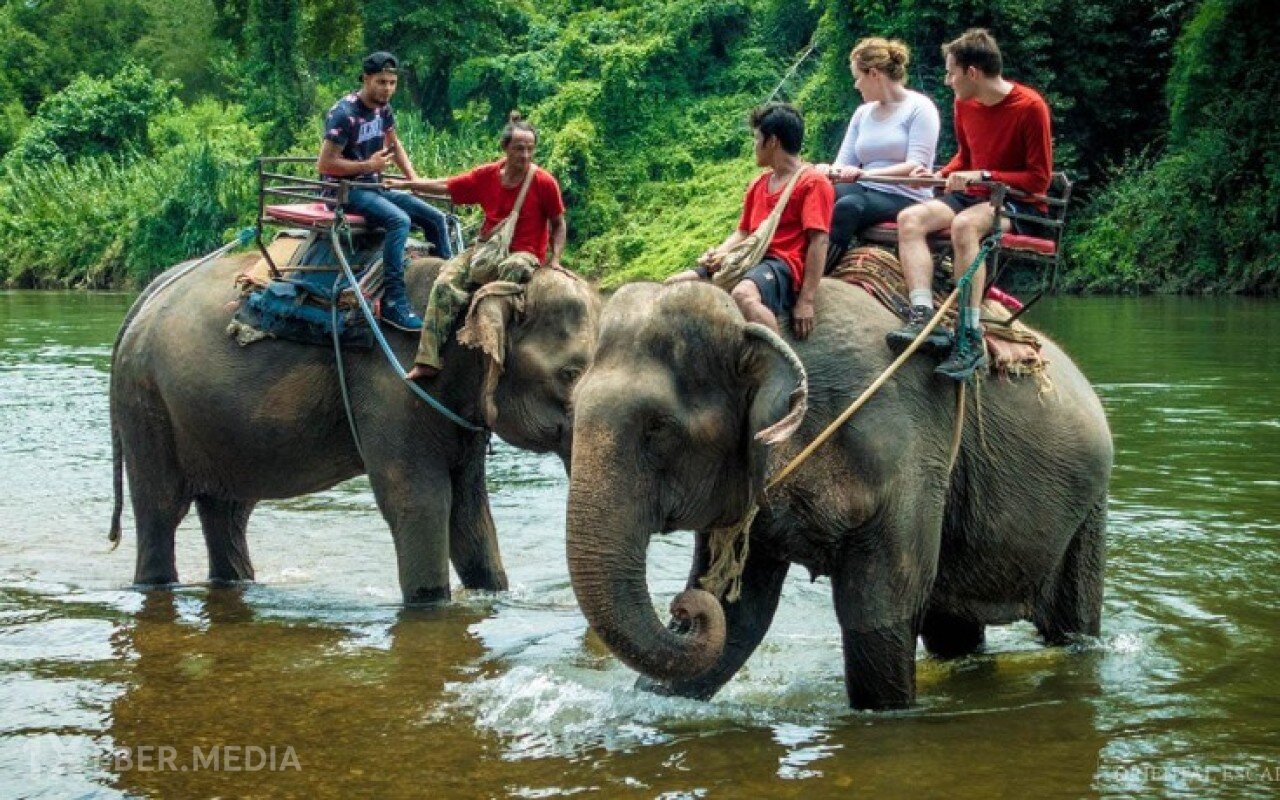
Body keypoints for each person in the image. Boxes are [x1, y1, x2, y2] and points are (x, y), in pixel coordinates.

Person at [887, 28, 1053, 380]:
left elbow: (1038, 180)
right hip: (974, 195)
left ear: (972, 73)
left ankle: (969, 334)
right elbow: (965, 157)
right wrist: (937, 175)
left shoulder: (1030, 107)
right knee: (910, 219)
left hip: (1015, 204)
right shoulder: (964, 103)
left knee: (965, 226)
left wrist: (986, 175)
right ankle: (922, 315)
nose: (947, 81)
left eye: (951, 72)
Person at [389, 112, 567, 381]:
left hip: (523, 253)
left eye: (531, 149)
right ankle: (428, 359)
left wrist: (554, 260)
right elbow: (447, 186)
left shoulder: (543, 182)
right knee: (444, 282)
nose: (526, 155)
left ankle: (497, 337)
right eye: (519, 148)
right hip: (486, 248)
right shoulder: (487, 176)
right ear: (505, 148)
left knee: (513, 267)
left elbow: (558, 223)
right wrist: (408, 185)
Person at [668, 103, 833, 339]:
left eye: (757, 138)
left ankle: (783, 370)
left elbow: (819, 241)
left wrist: (806, 300)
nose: (754, 146)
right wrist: (714, 257)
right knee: (679, 283)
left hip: (781, 265)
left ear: (772, 141)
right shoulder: (758, 184)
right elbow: (743, 234)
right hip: (747, 260)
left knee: (743, 295)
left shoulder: (813, 182)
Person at [317, 51, 454, 332]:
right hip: (344, 191)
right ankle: (394, 302)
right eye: (381, 82)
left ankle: (451, 284)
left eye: (392, 83)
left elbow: (395, 144)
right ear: (366, 79)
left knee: (435, 218)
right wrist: (368, 164)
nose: (387, 89)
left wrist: (415, 181)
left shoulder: (384, 109)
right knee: (399, 220)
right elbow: (325, 163)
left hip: (374, 185)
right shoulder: (344, 114)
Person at [818, 37, 940, 268]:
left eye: (858, 78)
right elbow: (843, 163)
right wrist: (827, 170)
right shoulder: (862, 113)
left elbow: (916, 165)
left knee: (848, 207)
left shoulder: (920, 108)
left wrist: (863, 175)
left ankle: (819, 272)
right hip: (866, 187)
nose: (856, 85)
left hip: (904, 194)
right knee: (820, 192)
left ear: (874, 74)